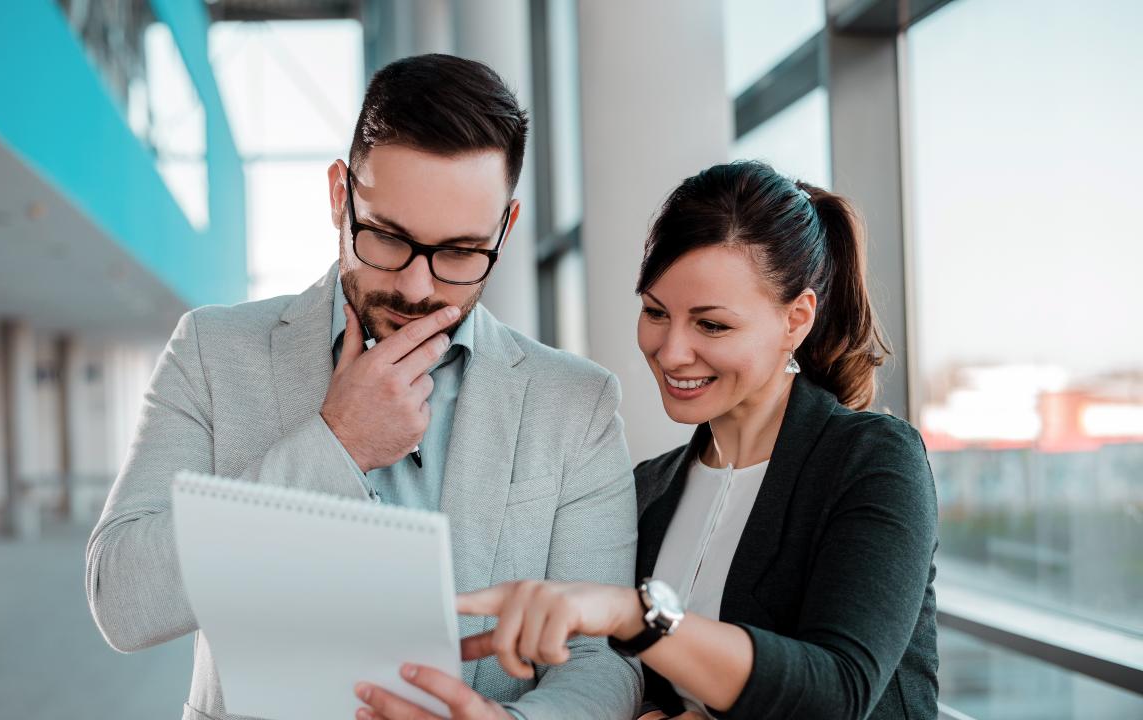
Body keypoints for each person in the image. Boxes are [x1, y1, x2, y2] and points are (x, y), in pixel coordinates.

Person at [84, 54, 641, 720]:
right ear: (339, 197)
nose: (416, 286)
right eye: (387, 237)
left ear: (507, 229)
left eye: (460, 252)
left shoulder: (575, 403)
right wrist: (335, 446)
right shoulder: (212, 351)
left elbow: (604, 660)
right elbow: (120, 601)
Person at [376, 161, 939, 720]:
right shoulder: (651, 488)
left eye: (712, 325)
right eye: (655, 312)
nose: (671, 352)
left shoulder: (873, 461)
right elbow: (634, 681)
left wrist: (635, 614)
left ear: (797, 319)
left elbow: (838, 691)